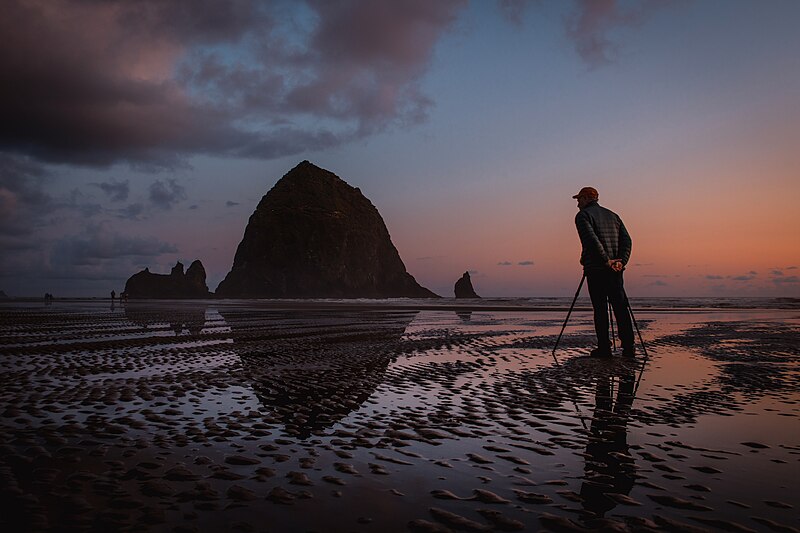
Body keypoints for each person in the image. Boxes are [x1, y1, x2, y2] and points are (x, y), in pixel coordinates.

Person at [573, 186, 635, 357]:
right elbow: (627, 241)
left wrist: (607, 261)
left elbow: (591, 241)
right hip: (615, 270)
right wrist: (621, 261)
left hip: (597, 269)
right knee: (620, 307)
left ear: (586, 198)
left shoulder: (583, 216)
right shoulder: (613, 215)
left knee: (600, 309)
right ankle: (629, 346)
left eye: (579, 199)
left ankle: (604, 347)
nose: (577, 203)